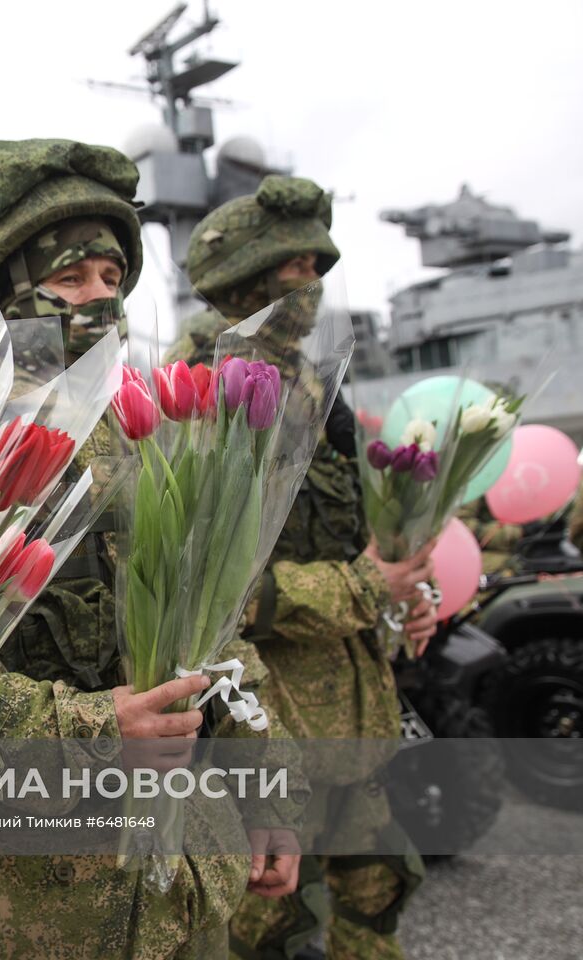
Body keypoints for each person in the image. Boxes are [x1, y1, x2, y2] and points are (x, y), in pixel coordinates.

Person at [0, 138, 306, 960]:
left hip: (184, 872)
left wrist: (271, 793)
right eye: (70, 278)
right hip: (37, 891)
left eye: (112, 279)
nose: (98, 299)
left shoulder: (140, 432)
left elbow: (217, 630)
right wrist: (94, 726)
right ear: (7, 291)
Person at [168, 176, 434, 960]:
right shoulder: (202, 386)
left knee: (380, 888)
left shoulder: (317, 386)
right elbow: (200, 591)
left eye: (321, 269)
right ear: (247, 280)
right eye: (294, 273)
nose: (312, 289)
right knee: (265, 924)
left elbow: (352, 542)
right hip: (267, 716)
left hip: (353, 711)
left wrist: (402, 599)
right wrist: (361, 589)